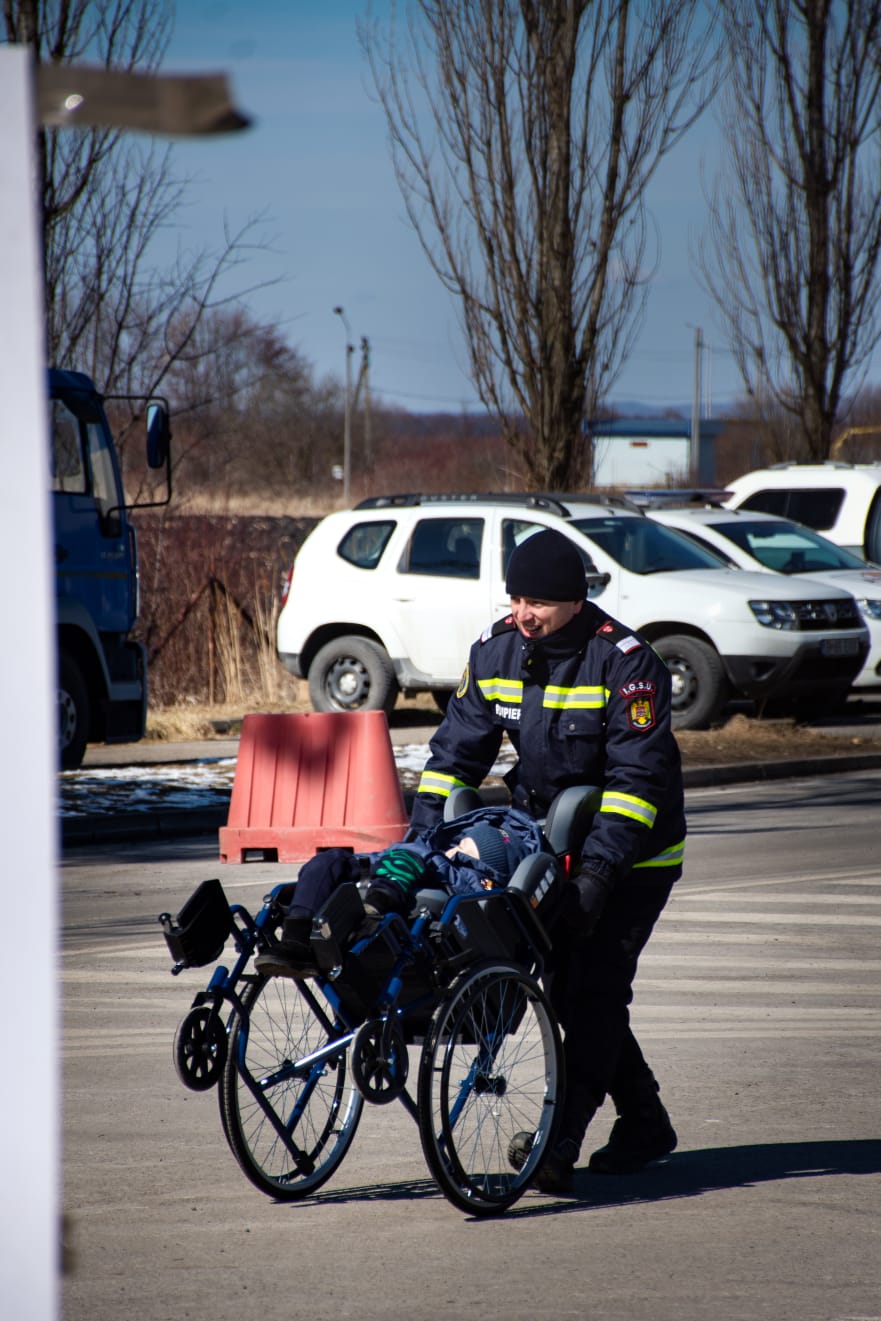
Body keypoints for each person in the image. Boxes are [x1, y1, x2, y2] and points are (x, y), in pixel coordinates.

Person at [409, 527, 686, 1193]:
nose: (522, 612)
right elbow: (454, 757)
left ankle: (560, 1140)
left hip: (634, 858)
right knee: (569, 987)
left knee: (589, 988)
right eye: (515, 597)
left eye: (536, 600)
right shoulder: (497, 648)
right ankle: (644, 1121)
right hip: (545, 848)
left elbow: (636, 786)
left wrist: (595, 875)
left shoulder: (625, 662)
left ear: (572, 599)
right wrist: (420, 849)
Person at [254, 804, 540, 979]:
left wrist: (439, 858)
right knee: (327, 862)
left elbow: (465, 907)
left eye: (465, 849)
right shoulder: (436, 856)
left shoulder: (476, 883)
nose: (456, 848)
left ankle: (372, 913)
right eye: (460, 843)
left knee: (412, 855)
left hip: (406, 906)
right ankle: (295, 940)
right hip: (393, 869)